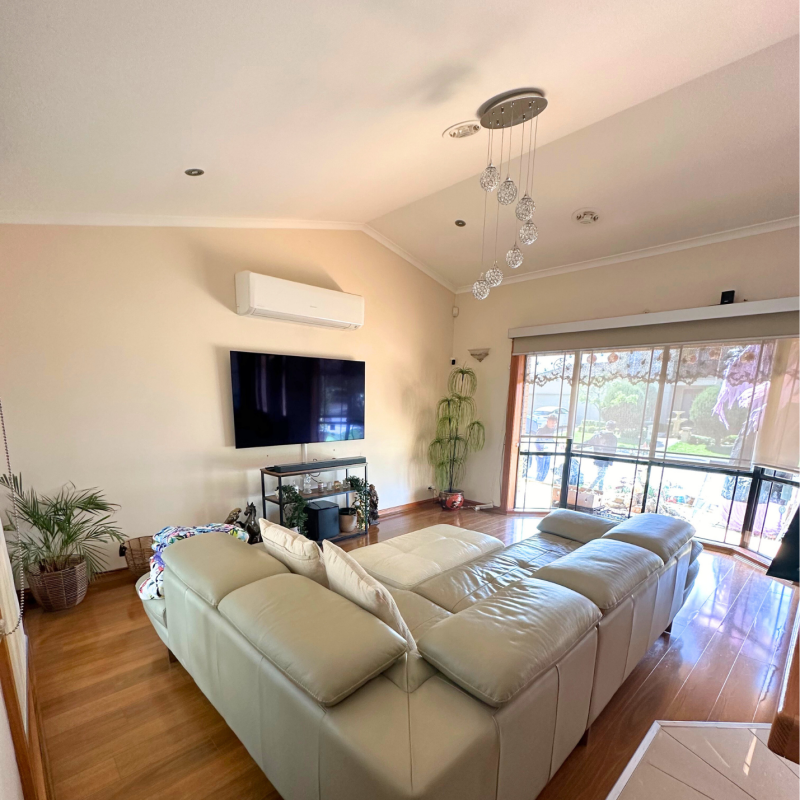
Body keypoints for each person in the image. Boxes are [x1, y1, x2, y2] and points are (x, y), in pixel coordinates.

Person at [586, 421, 618, 492]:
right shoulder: (613, 438)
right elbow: (613, 450)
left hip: (598, 458)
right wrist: (611, 461)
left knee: (601, 475)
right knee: (601, 475)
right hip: (605, 459)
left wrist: (577, 446)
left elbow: (588, 442)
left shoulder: (598, 435)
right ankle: (590, 488)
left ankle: (600, 490)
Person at [533, 414, 558, 482]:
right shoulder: (541, 431)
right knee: (540, 472)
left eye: (554, 423)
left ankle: (540, 482)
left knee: (546, 471)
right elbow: (536, 442)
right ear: (547, 421)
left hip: (548, 453)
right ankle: (537, 483)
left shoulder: (554, 431)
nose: (553, 424)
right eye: (552, 423)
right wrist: (539, 452)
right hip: (541, 453)